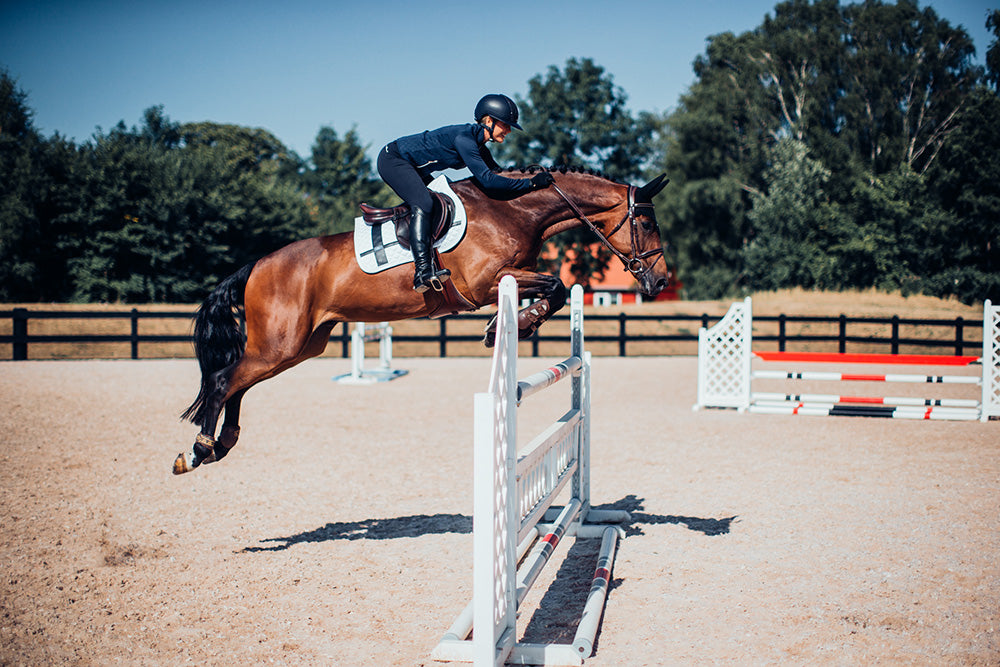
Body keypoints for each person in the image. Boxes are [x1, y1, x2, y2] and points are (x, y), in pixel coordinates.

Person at [377, 93, 555, 293]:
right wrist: (531, 184)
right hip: (393, 160)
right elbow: (488, 180)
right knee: (425, 203)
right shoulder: (465, 139)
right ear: (489, 120)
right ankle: (422, 272)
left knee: (448, 201)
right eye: (505, 124)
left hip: (414, 167)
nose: (509, 130)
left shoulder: (479, 146)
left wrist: (532, 180)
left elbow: (500, 176)